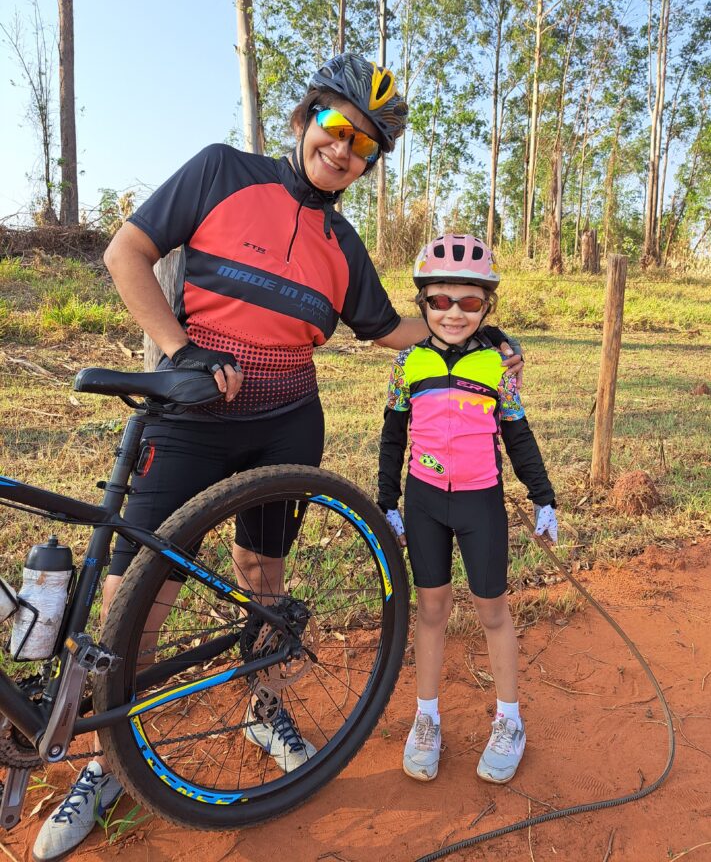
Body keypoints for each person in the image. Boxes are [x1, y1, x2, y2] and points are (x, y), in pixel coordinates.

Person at [33, 55, 523, 861]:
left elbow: (387, 330)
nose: (346, 152)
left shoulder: (342, 240)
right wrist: (180, 351)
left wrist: (479, 340)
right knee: (137, 590)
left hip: (288, 421)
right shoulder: (224, 171)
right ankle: (106, 761)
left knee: (264, 580)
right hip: (190, 410)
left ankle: (262, 703)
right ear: (306, 119)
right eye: (337, 129)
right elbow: (127, 254)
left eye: (365, 148)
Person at [377, 233, 557, 785]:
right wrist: (387, 501)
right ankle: (425, 717)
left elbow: (519, 435)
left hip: (481, 503)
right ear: (423, 303)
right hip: (424, 502)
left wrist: (543, 496)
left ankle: (509, 720)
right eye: (440, 300)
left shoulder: (499, 367)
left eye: (471, 302)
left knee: (492, 610)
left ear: (487, 306)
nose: (454, 313)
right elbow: (392, 435)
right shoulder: (408, 363)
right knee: (431, 611)